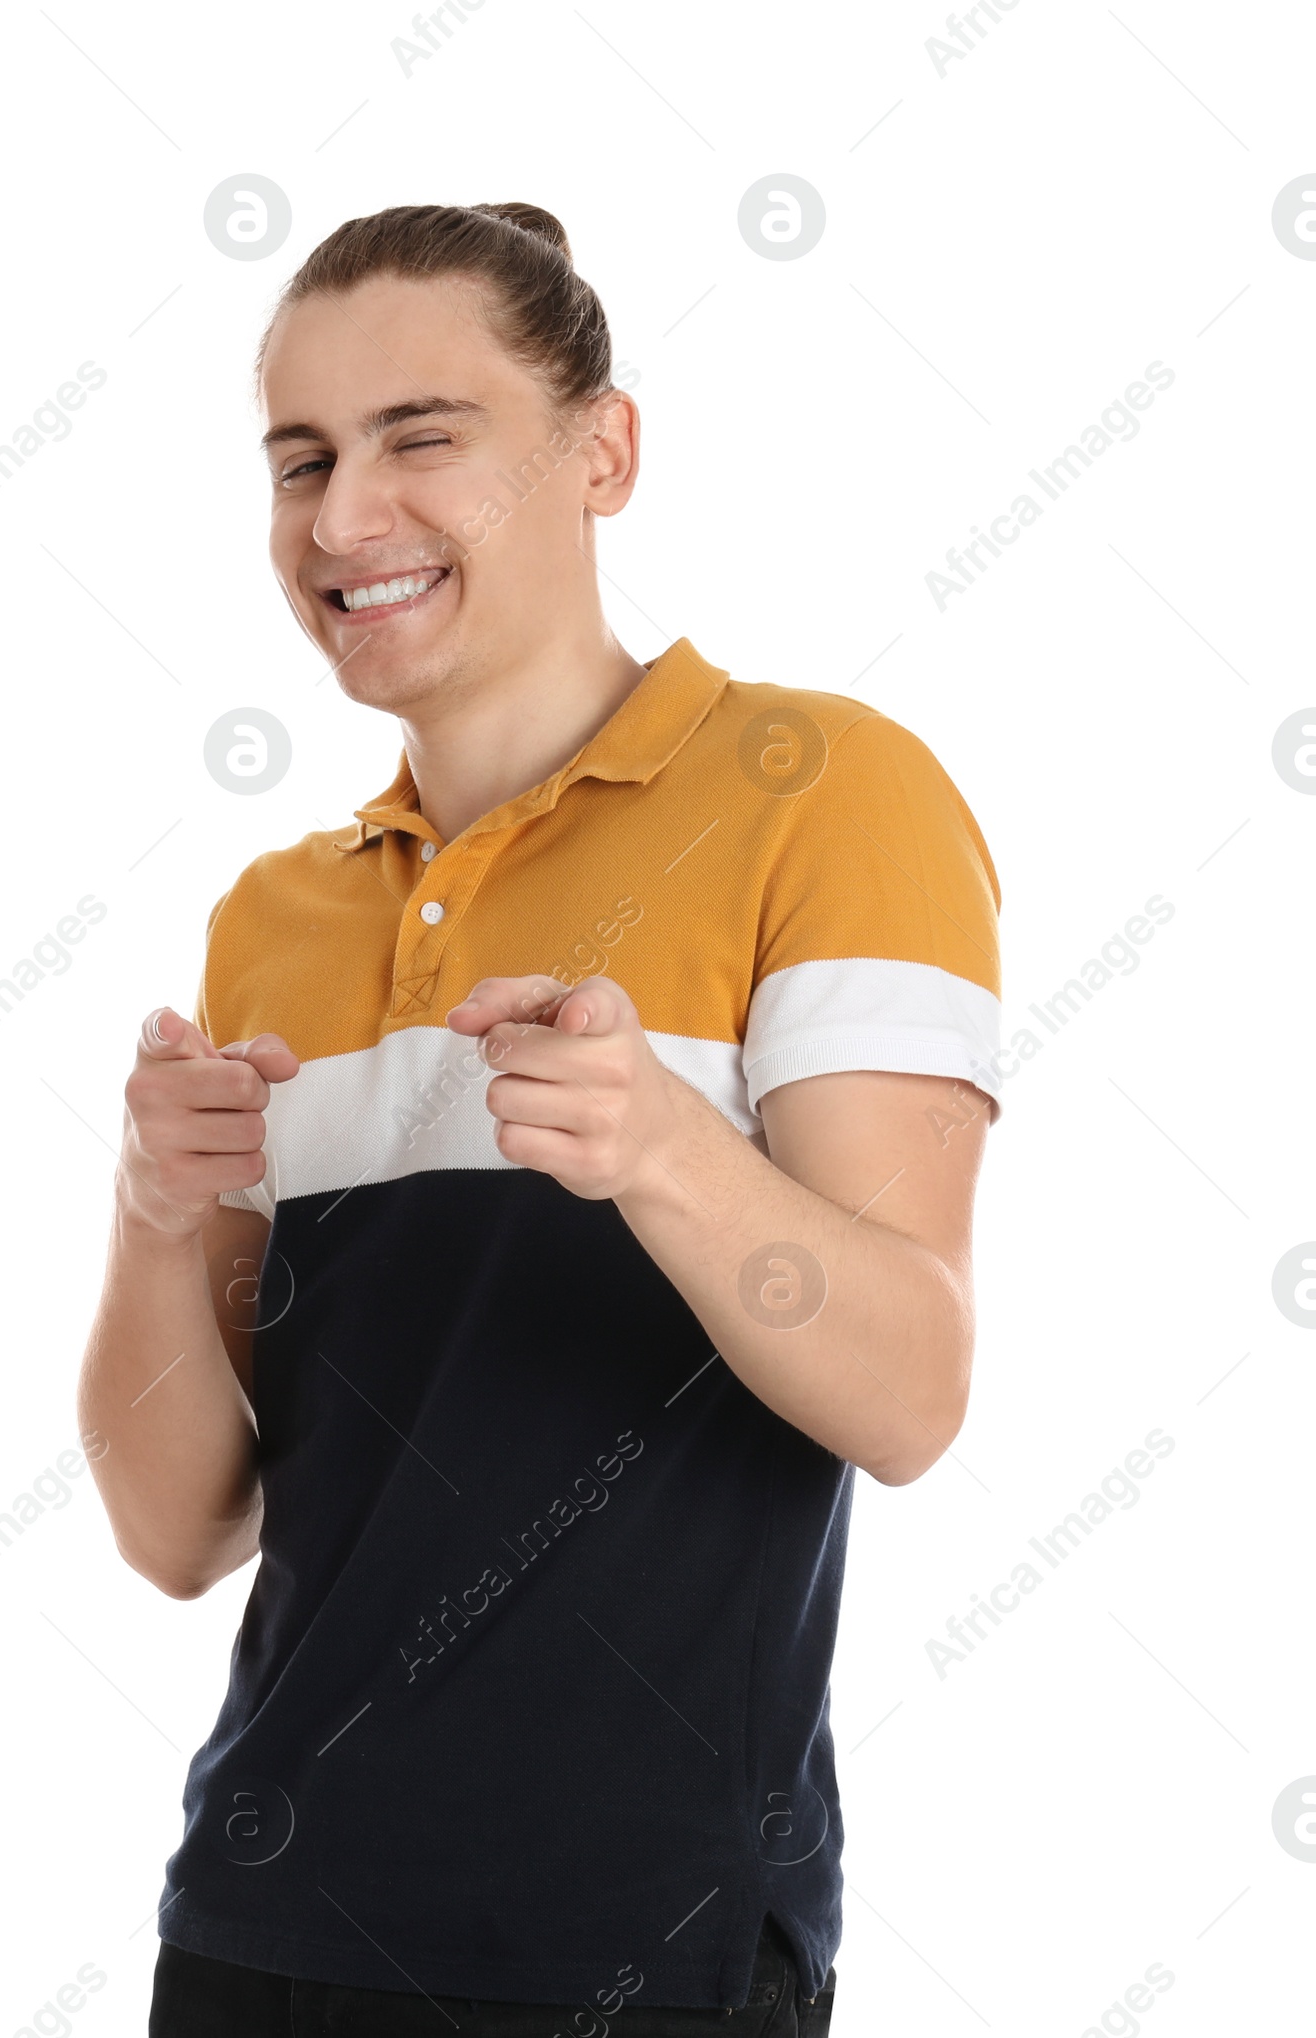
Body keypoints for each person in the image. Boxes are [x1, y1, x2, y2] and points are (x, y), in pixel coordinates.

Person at [77, 200, 1002, 2037]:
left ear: (606, 450)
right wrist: (152, 1209)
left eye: (423, 438)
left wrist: (663, 1149)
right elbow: (183, 1531)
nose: (345, 519)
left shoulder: (824, 792)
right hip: (260, 1928)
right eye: (302, 460)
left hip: (635, 1948)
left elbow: (909, 1391)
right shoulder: (279, 914)